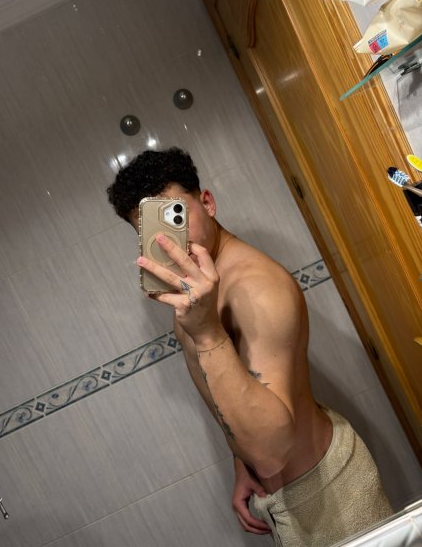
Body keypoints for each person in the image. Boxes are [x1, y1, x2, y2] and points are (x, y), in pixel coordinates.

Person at [107, 147, 393, 547]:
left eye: (176, 216)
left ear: (208, 203)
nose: (168, 241)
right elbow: (238, 393)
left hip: (330, 496)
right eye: (150, 231)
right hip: (284, 496)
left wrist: (207, 333)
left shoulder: (257, 288)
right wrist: (242, 462)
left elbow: (272, 453)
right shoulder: (196, 287)